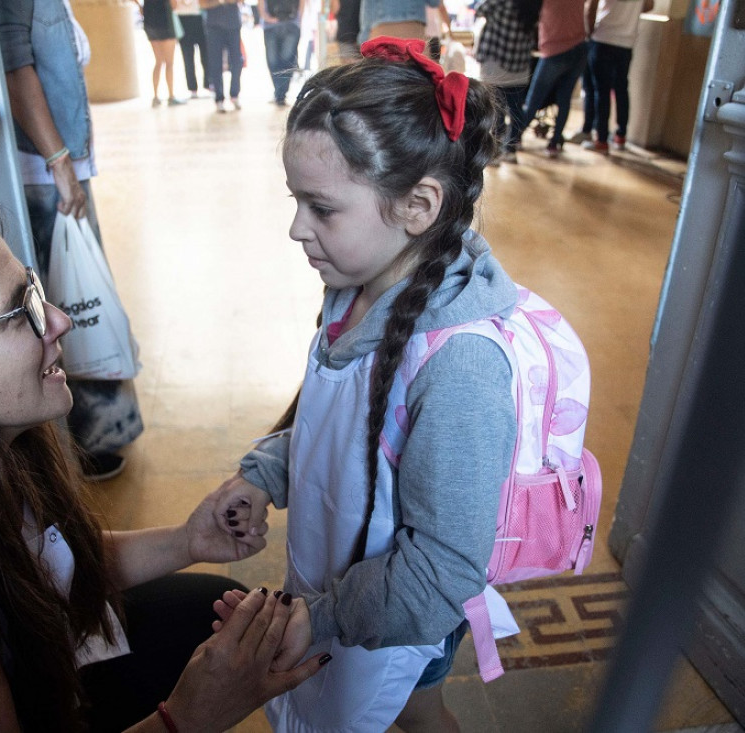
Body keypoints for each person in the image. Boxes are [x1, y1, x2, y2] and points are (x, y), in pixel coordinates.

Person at [0, 197, 329, 732]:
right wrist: (186, 718)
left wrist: (189, 540)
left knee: (206, 611)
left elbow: (51, 566)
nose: (60, 321)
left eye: (36, 292)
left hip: (44, 677)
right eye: (19, 311)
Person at [212, 37, 520, 732]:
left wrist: (317, 616)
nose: (296, 228)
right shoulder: (350, 286)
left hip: (406, 611)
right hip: (333, 575)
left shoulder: (461, 367)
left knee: (415, 710)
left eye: (321, 208)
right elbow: (336, 424)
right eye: (296, 201)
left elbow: (442, 572)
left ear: (418, 205)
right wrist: (264, 472)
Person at [0, 0, 143, 481]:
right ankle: (85, 435)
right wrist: (60, 162)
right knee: (67, 302)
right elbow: (16, 70)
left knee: (76, 297)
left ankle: (97, 430)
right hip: (45, 173)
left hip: (58, 169)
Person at [514, 0, 588, 158]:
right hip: (579, 47)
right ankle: (554, 143)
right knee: (564, 99)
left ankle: (515, 138)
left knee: (534, 99)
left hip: (554, 50)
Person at [581, 0, 654, 153]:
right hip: (626, 42)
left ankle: (601, 139)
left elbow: (591, 6)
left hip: (603, 38)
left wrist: (589, 31)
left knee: (601, 91)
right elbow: (649, 6)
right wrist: (629, 13)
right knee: (621, 89)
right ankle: (620, 135)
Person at [475, 0, 542, 164]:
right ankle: (511, 148)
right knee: (516, 109)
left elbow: (480, 9)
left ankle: (495, 150)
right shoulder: (534, 4)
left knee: (495, 109)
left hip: (496, 63)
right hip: (519, 66)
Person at [137, 0, 188, 106]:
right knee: (169, 63)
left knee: (158, 61)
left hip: (150, 23)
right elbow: (174, 5)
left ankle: (155, 97)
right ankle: (171, 95)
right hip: (165, 22)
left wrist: (140, 6)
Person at [200, 0, 245, 112]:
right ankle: (219, 98)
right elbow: (202, 4)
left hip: (233, 25)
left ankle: (234, 95)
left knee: (237, 61)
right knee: (215, 63)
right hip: (214, 27)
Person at [259, 0, 305, 107]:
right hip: (271, 25)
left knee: (287, 59)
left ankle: (281, 94)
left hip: (291, 23)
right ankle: (279, 92)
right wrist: (265, 17)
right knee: (273, 60)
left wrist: (298, 18)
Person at [176, 0, 213, 98]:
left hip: (199, 18)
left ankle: (209, 84)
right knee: (188, 57)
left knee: (206, 55)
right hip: (183, 19)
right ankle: (192, 88)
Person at [359, 0, 441, 44]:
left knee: (382, 73)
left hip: (381, 32)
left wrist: (363, 38)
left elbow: (368, 10)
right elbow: (434, 2)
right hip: (413, 31)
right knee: (414, 73)